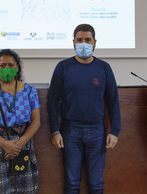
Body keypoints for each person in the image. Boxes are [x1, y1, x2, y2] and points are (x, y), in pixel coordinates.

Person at [47, 24, 121, 194]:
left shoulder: (104, 68)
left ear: (95, 42)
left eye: (88, 40)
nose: (83, 43)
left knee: (96, 185)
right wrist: (54, 131)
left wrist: (115, 130)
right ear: (73, 42)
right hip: (70, 132)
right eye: (79, 40)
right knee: (72, 184)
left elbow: (113, 101)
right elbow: (52, 101)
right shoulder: (63, 67)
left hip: (97, 132)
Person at [0, 49, 40, 193]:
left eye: (11, 65)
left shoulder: (30, 91)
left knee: (23, 187)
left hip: (22, 147)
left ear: (17, 68)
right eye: (2, 65)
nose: (7, 69)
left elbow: (36, 121)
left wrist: (19, 145)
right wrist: (4, 144)